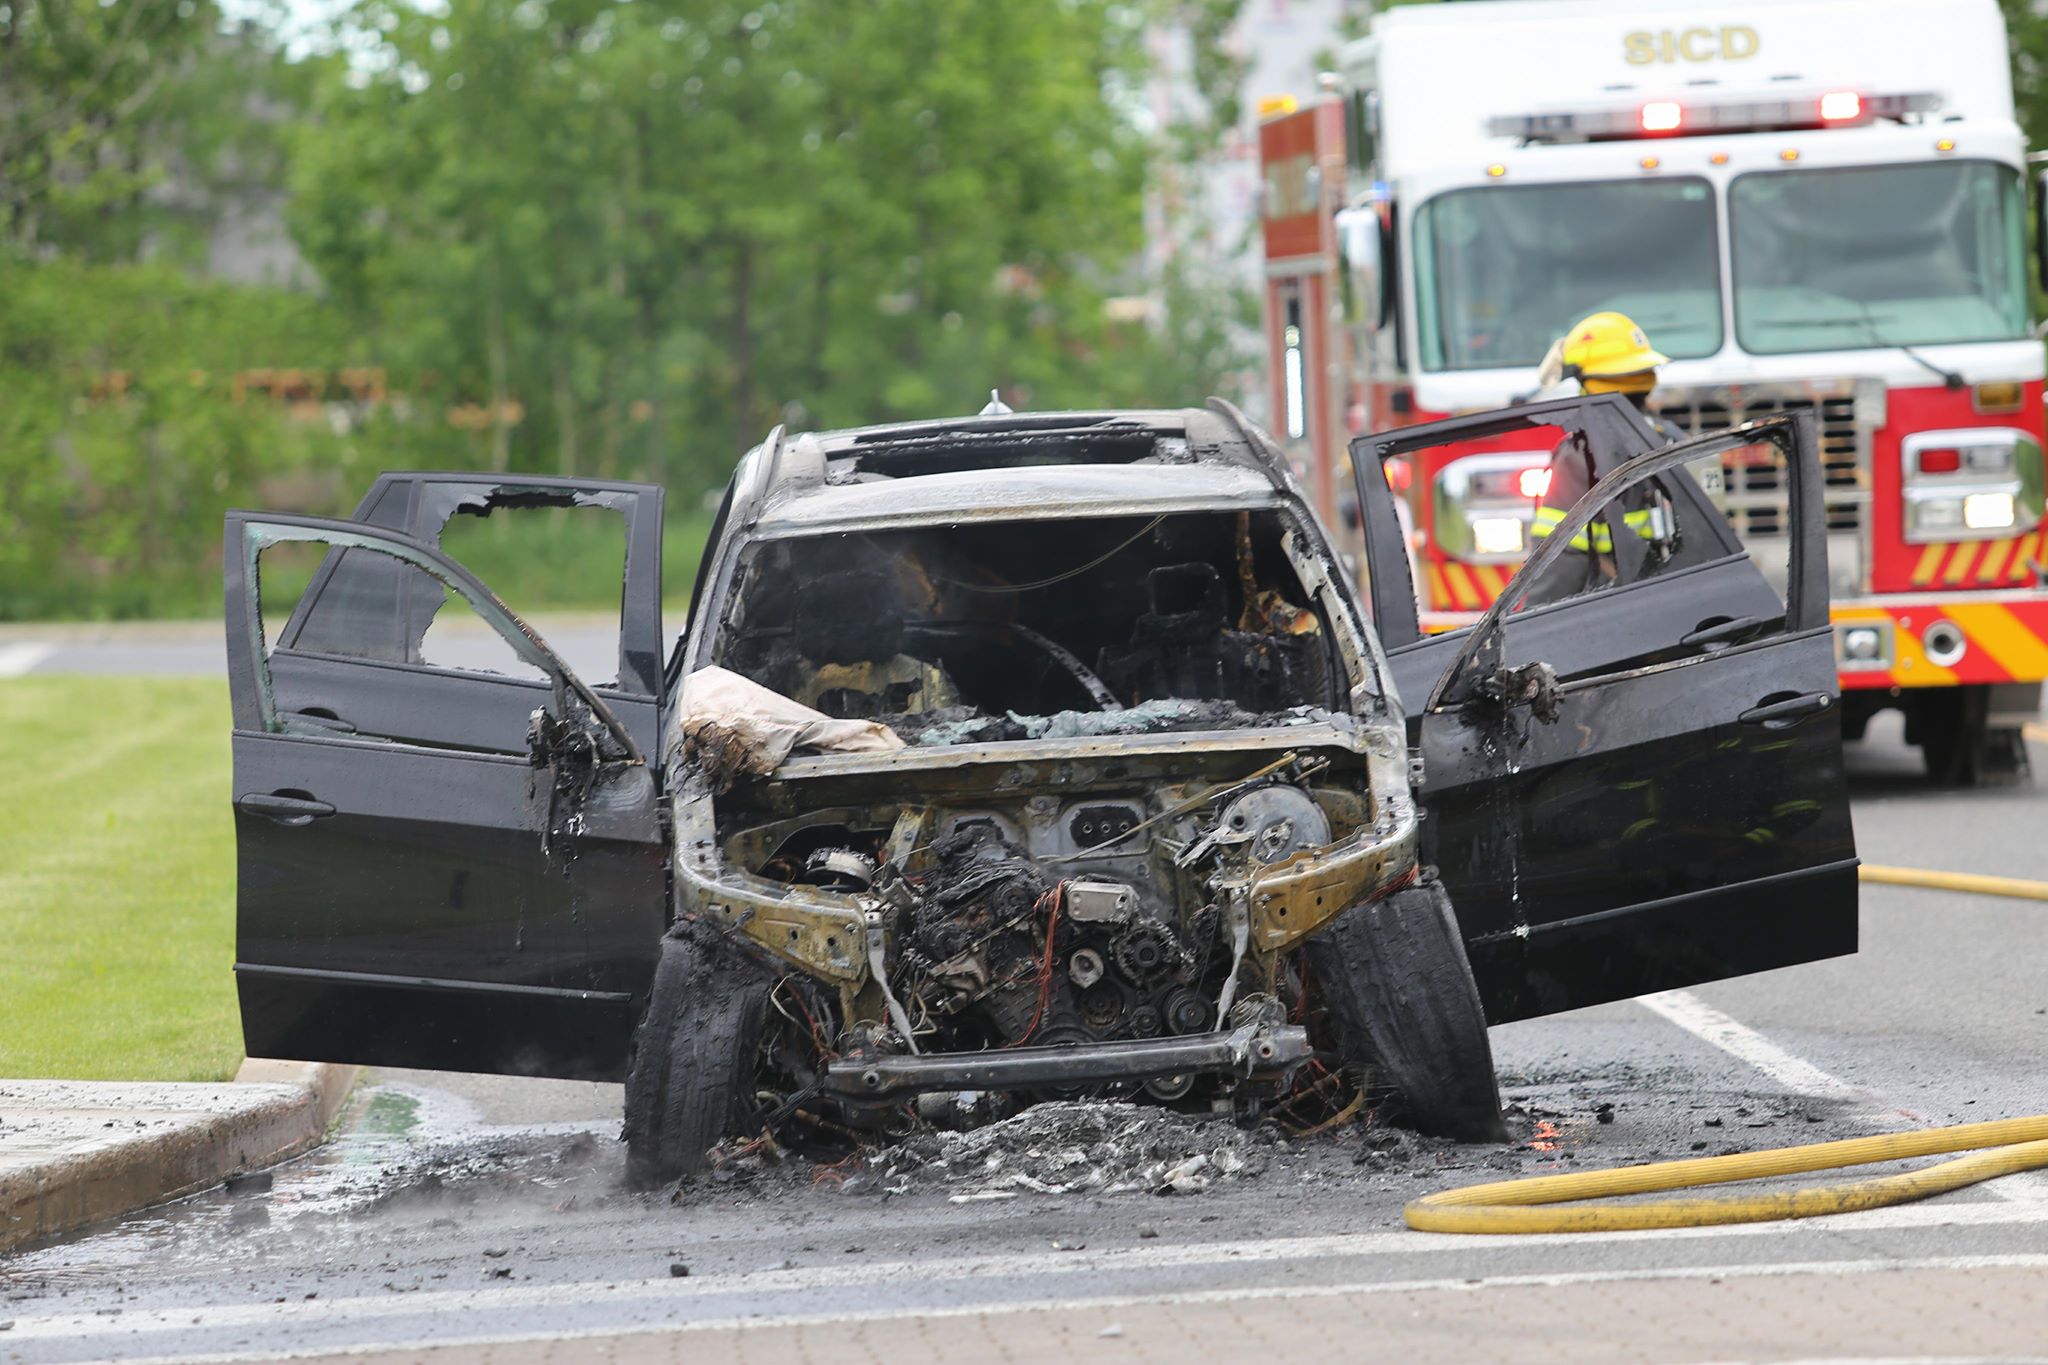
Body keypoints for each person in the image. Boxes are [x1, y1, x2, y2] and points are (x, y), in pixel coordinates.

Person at [1526, 311, 1675, 594]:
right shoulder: (1670, 439)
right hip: (1671, 597)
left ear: (1584, 382)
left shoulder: (1581, 457)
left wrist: (1528, 628)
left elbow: (1560, 562)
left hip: (1613, 609)